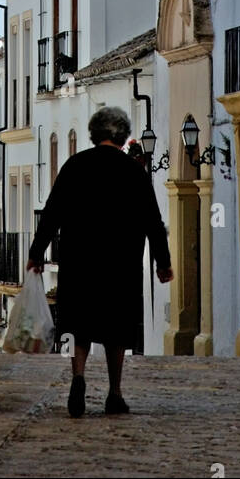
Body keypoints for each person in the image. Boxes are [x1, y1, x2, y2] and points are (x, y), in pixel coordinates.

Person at [27, 105, 173, 418]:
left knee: (79, 324)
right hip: (120, 263)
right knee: (116, 328)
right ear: (122, 135)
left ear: (94, 134)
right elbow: (153, 219)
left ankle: (78, 377)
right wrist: (163, 262)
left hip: (80, 260)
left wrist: (36, 253)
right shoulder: (133, 171)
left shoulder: (75, 166)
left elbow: (52, 212)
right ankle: (114, 392)